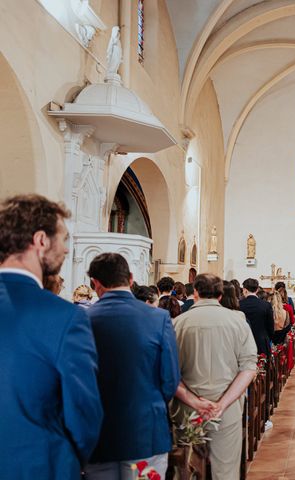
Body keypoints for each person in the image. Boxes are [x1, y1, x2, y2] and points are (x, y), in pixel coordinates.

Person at [0, 194, 103, 478]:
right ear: (41, 240)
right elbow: (84, 413)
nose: (67, 250)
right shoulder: (64, 317)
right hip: (39, 466)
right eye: (64, 239)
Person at [85, 253, 180, 479]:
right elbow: (170, 380)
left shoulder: (82, 319)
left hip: (98, 434)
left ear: (95, 283)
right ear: (130, 278)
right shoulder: (158, 318)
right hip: (145, 431)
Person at [172, 274, 257, 479]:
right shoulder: (237, 322)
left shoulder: (176, 323)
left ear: (195, 293)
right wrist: (222, 404)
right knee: (225, 471)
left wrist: (194, 401)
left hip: (188, 409)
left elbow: (168, 373)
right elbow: (248, 369)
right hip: (225, 409)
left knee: (187, 469)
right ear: (220, 295)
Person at [239, 278, 274, 356]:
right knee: (263, 366)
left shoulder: (239, 304)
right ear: (257, 290)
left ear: (245, 290)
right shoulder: (266, 305)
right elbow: (270, 326)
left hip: (244, 343)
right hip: (262, 342)